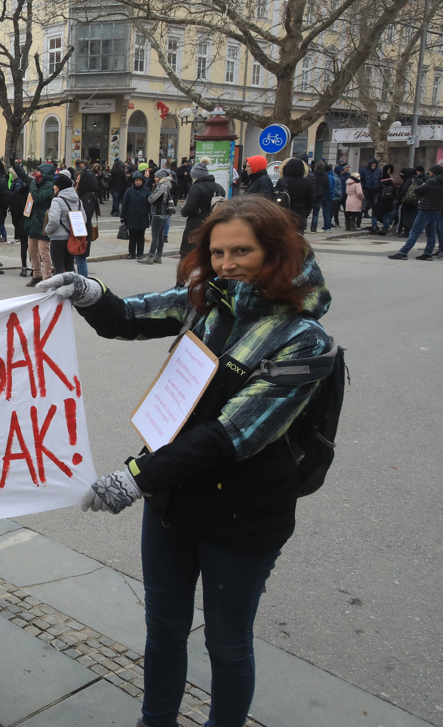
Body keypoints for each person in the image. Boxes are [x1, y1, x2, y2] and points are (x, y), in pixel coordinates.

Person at [40, 196, 334, 727]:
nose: (226, 264)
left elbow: (232, 435)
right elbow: (130, 316)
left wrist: (135, 478)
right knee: (164, 630)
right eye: (218, 252)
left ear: (277, 251)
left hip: (242, 516)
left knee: (227, 644)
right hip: (172, 504)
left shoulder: (304, 339)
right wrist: (89, 292)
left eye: (242, 251)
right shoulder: (209, 301)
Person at [179, 160, 226, 269]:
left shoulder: (196, 187)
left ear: (196, 175)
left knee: (187, 252)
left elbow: (190, 207)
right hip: (213, 222)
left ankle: (183, 276)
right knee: (208, 250)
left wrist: (183, 211)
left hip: (196, 223)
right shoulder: (219, 187)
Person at [388, 165, 442, 260]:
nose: (430, 173)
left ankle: (403, 252)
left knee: (415, 231)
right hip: (436, 210)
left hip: (426, 209)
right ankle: (428, 253)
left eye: (431, 171)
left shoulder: (430, 181)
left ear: (434, 173)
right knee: (431, 233)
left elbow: (418, 190)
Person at [25, 163, 56, 285]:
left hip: (43, 223)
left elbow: (37, 197)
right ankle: (37, 275)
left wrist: (32, 186)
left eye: (39, 171)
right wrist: (15, 166)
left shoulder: (49, 185)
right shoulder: (37, 182)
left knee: (44, 253)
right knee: (32, 252)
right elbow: (24, 177)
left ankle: (47, 279)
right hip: (33, 223)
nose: (36, 173)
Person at [46, 171, 81, 273]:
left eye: (56, 185)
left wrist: (47, 231)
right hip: (72, 238)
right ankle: (73, 283)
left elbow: (54, 220)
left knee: (58, 268)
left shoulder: (57, 201)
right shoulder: (78, 200)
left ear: (60, 187)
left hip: (58, 238)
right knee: (70, 267)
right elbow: (84, 218)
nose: (54, 187)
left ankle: (60, 284)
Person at [140, 168, 175, 265]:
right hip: (164, 214)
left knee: (155, 236)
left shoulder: (161, 186)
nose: (155, 178)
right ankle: (158, 256)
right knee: (160, 236)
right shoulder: (168, 185)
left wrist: (151, 194)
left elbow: (151, 199)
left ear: (161, 178)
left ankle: (150, 257)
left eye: (156, 177)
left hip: (158, 212)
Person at [120, 171, 152, 260]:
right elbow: (124, 203)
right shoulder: (129, 190)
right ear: (134, 181)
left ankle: (140, 253)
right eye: (136, 180)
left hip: (142, 216)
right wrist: (122, 215)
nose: (138, 182)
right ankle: (131, 253)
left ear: (142, 181)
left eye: (140, 180)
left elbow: (150, 204)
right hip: (131, 216)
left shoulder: (146, 190)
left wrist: (151, 215)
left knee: (141, 236)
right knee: (132, 236)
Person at [275, 158, 314, 233]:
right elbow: (310, 201)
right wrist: (305, 213)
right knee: (298, 237)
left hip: (285, 214)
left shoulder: (282, 181)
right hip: (300, 215)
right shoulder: (307, 182)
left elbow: (275, 196)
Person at [359, 158, 382, 223]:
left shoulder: (379, 170)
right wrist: (363, 187)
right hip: (366, 189)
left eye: (375, 164)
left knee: (374, 205)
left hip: (375, 190)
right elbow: (361, 179)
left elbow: (380, 179)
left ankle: (373, 220)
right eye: (372, 164)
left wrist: (378, 187)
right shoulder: (364, 170)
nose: (374, 165)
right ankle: (359, 219)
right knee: (362, 205)